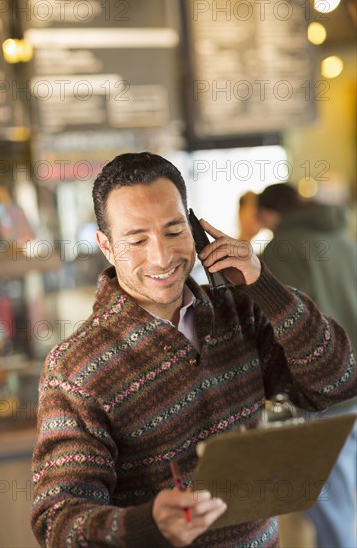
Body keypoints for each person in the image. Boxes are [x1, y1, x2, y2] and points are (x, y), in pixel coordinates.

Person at [31, 153, 356, 548]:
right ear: (106, 246)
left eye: (174, 231)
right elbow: (58, 520)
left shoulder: (240, 312)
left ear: (196, 229)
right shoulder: (74, 368)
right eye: (137, 239)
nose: (162, 257)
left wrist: (264, 287)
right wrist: (146, 526)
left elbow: (338, 381)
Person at [257, 182, 357, 548]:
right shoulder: (342, 238)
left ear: (269, 215)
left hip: (322, 394)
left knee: (333, 510)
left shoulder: (280, 249)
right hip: (353, 385)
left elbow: (279, 326)